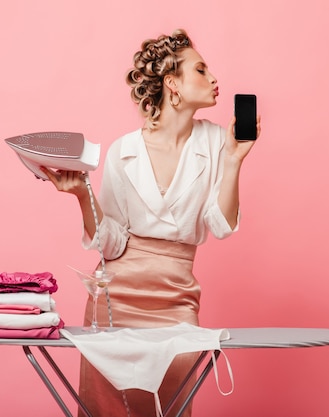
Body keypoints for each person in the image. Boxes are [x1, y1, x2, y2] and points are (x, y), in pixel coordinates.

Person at [40, 28, 261, 417]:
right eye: (201, 69)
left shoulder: (215, 142)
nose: (213, 79)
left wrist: (233, 161)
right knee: (106, 409)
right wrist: (80, 195)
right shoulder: (124, 150)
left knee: (173, 406)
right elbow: (110, 241)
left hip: (176, 299)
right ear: (172, 83)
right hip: (115, 301)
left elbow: (221, 226)